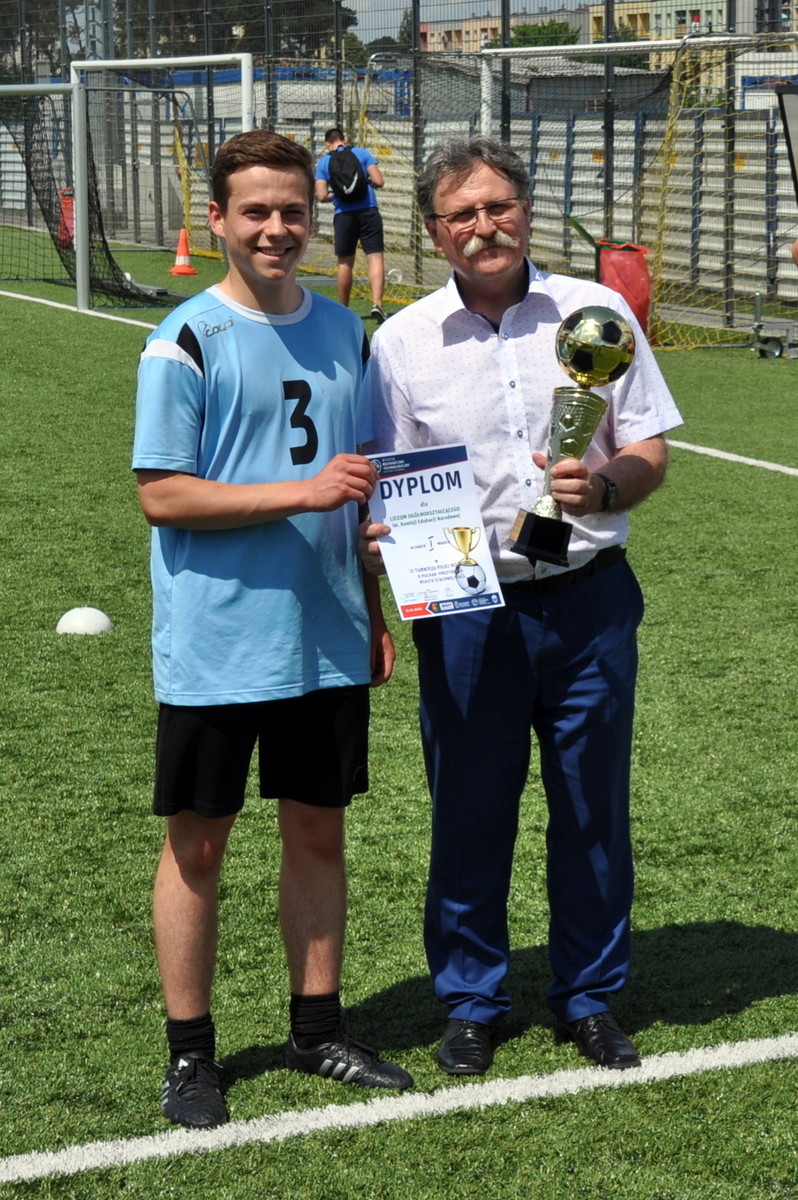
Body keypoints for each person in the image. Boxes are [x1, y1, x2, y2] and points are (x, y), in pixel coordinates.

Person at [361, 137, 683, 1077]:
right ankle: (471, 1001)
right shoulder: (402, 341)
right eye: (461, 214)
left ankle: (590, 997)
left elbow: (650, 448)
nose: (483, 227)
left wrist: (606, 486)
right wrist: (384, 550)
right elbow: (387, 479)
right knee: (469, 812)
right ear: (434, 232)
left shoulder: (595, 312)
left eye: (498, 206)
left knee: (591, 808)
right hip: (467, 613)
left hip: (588, 601)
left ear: (526, 211)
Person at [132, 129, 413, 1130]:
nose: (276, 229)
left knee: (318, 831)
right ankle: (190, 1056)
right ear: (217, 220)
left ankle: (317, 1030)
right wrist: (304, 492)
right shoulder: (184, 339)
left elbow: (361, 486)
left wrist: (374, 603)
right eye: (254, 211)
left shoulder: (345, 331)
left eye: (293, 211)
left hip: (326, 631)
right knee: (199, 847)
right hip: (219, 640)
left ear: (315, 215)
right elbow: (163, 494)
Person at [315, 127, 387, 323]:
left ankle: (344, 309)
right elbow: (379, 181)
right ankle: (378, 303)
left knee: (345, 263)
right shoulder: (362, 153)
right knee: (375, 257)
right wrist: (366, 183)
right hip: (368, 210)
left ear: (327, 144)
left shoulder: (324, 162)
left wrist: (338, 194)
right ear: (344, 140)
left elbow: (321, 195)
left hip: (344, 215)